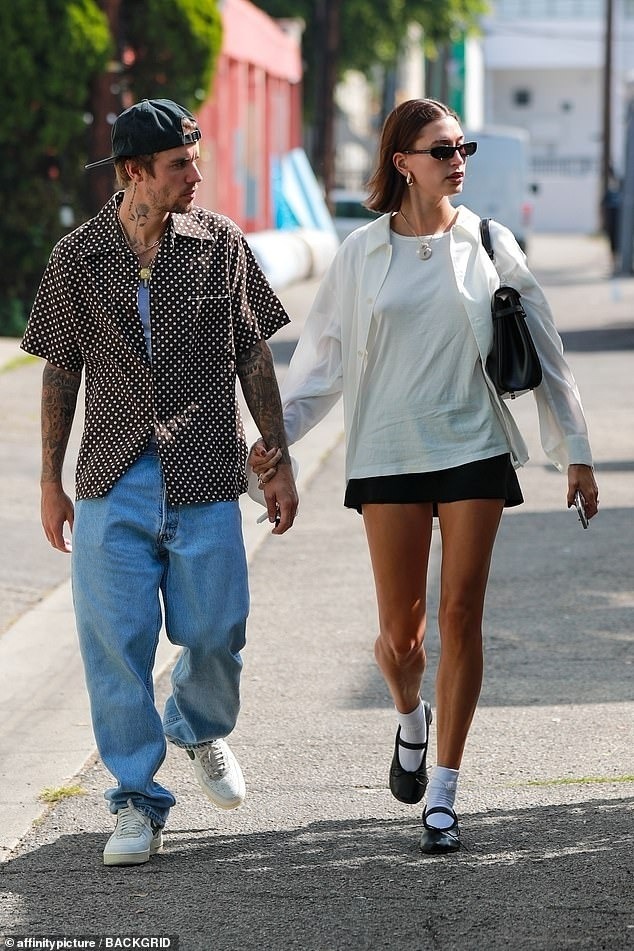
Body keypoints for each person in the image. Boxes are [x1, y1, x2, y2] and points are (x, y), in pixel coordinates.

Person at [250, 98, 598, 854]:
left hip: (473, 444)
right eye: (442, 150)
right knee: (400, 639)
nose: (457, 160)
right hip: (388, 452)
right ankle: (411, 716)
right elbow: (322, 365)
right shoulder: (360, 254)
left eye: (463, 147)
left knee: (461, 613)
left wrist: (576, 449)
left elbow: (547, 347)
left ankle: (444, 787)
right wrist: (275, 443)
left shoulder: (489, 243)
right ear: (401, 161)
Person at [21, 98, 298, 866]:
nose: (195, 176)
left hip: (206, 471)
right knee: (116, 646)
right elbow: (60, 370)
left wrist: (278, 458)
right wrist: (50, 480)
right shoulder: (77, 257)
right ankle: (136, 800)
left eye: (195, 160)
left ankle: (198, 724)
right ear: (134, 172)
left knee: (217, 633)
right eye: (180, 165)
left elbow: (253, 354)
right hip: (112, 476)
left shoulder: (220, 244)